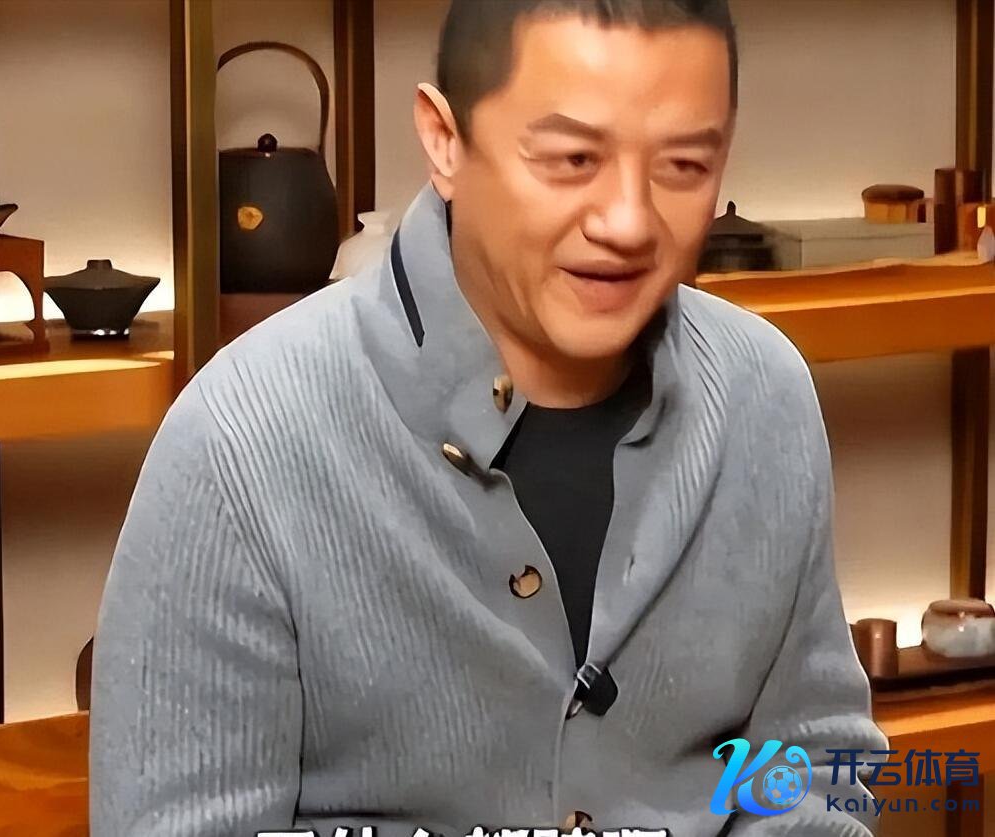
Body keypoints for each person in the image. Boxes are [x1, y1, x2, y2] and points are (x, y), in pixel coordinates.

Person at [90, 1, 888, 835]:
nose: (628, 222)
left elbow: (814, 767)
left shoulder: (764, 396)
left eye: (684, 166)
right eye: (573, 159)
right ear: (444, 140)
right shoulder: (240, 441)